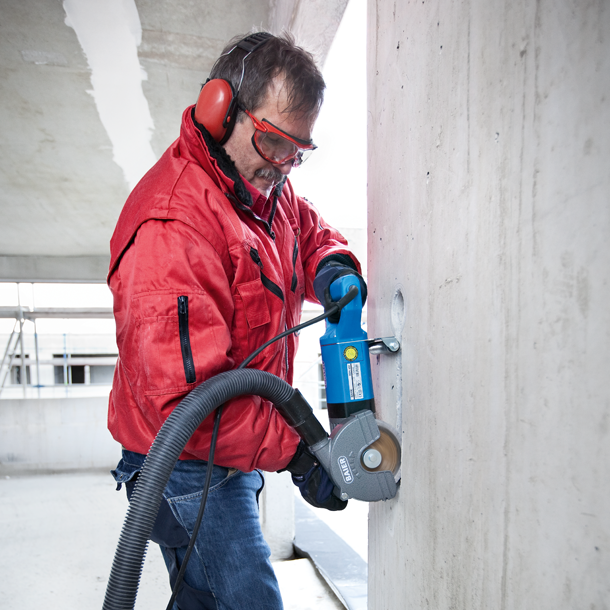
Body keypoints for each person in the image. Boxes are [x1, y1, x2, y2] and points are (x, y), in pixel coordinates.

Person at [107, 32, 366, 610]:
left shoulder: (260, 188)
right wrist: (299, 449)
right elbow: (185, 405)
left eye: (298, 152)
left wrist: (332, 266)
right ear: (219, 108)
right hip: (182, 464)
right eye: (274, 143)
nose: (283, 166)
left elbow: (307, 230)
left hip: (232, 449)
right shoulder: (172, 226)